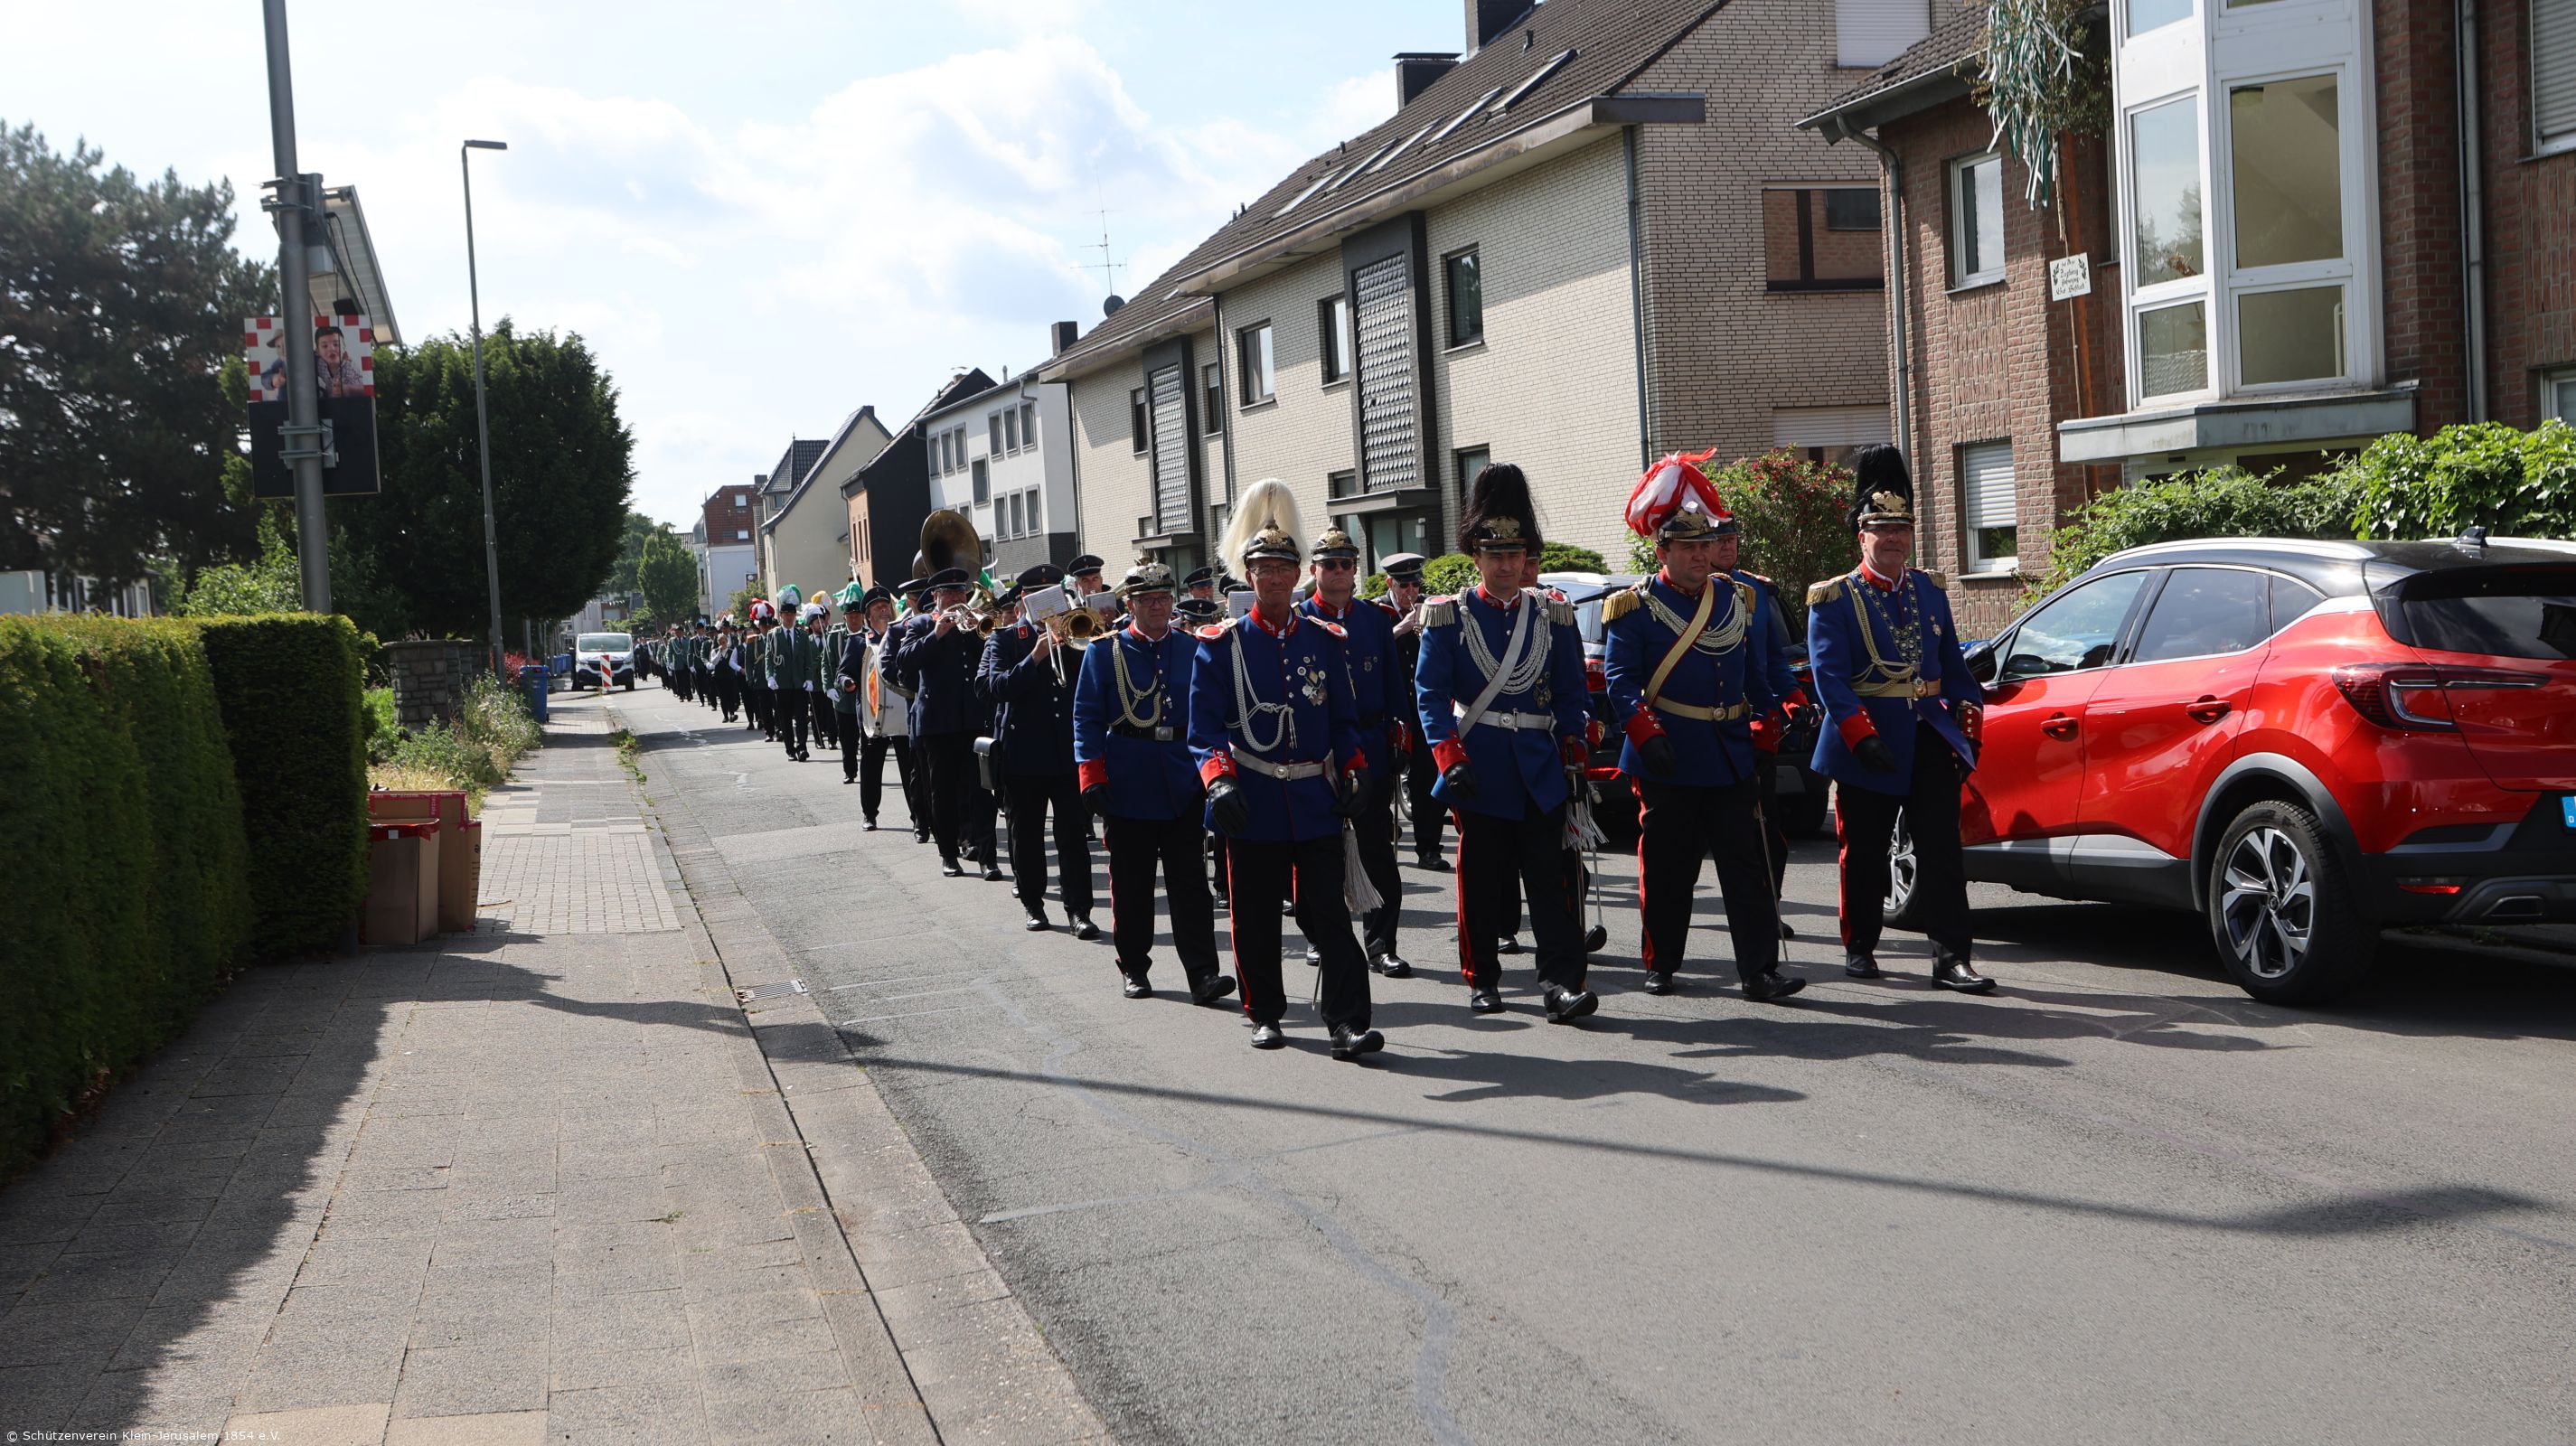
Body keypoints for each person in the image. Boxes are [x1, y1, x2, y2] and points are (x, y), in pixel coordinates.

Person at [1187, 480, 1383, 1060]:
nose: (1273, 579)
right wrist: (1219, 780)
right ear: (1248, 577)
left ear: (1298, 575)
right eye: (1263, 570)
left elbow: (1343, 721)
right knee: (1254, 917)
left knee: (1330, 915)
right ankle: (1265, 1013)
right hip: (1252, 801)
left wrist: (1355, 768)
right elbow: (1204, 729)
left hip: (1316, 802)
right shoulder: (1220, 646)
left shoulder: (1325, 640)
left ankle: (1347, 1022)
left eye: (1282, 569)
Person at [1603, 450, 1807, 1002]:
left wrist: (1770, 721)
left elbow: (1756, 677)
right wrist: (1647, 736)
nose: (1699, 556)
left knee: (1747, 865)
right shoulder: (1634, 608)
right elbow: (1621, 683)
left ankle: (1759, 970)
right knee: (1669, 868)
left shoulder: (1737, 600)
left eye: (1705, 546)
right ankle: (1662, 963)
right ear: (1662, 551)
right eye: (1687, 547)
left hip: (1730, 753)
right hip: (1668, 753)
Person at [1807, 446, 1994, 992]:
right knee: (1864, 852)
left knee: (1942, 850)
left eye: (1901, 529)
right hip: (1867, 740)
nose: (1892, 538)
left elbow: (1954, 669)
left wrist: (1969, 727)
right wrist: (1859, 735)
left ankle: (1952, 957)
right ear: (1861, 536)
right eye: (1881, 529)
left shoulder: (1930, 590)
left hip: (1928, 734)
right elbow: (1830, 679)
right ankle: (1860, 946)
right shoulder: (1834, 597)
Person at [1415, 465, 1597, 1020]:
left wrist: (1574, 749)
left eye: (1515, 555)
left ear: (1525, 557)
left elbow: (1570, 693)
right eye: (1495, 555)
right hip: (1480, 766)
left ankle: (1561, 982)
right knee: (1481, 882)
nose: (1506, 565)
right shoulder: (1449, 616)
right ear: (1477, 557)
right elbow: (1430, 696)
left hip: (1539, 767)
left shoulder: (1552, 614)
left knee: (1553, 882)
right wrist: (1449, 757)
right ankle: (1482, 977)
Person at [1075, 559, 1238, 1004]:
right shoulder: (1104, 651)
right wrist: (1091, 774)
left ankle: (1203, 974)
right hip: (1129, 780)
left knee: (1191, 883)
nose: (1157, 607)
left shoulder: (1192, 647)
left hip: (1183, 779)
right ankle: (1134, 966)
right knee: (1133, 885)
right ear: (1130, 604)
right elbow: (1086, 717)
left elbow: (1213, 711)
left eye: (1164, 598)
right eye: (1147, 599)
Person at [1301, 527, 1412, 978]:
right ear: (1314, 570)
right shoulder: (1299, 619)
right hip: (1316, 751)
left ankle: (1382, 943)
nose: (1338, 572)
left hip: (1369, 746)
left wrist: (1401, 739)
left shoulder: (1375, 620)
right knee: (1316, 852)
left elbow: (1394, 688)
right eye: (1329, 564)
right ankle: (1318, 937)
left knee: (1376, 850)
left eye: (1346, 564)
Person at [982, 565, 1097, 934]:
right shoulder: (1004, 639)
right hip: (1023, 754)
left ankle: (1079, 911)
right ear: (1023, 601)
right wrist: (1034, 656)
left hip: (1065, 752)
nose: (1048, 605)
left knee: (1073, 836)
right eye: (1038, 597)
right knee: (1027, 836)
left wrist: (1075, 642)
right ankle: (1033, 904)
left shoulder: (1075, 636)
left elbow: (1093, 683)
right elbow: (996, 688)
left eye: (1053, 596)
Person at [887, 568, 986, 877]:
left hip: (971, 718)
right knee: (942, 791)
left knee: (976, 788)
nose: (956, 597)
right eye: (949, 593)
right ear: (937, 597)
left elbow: (987, 657)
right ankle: (948, 853)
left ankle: (974, 843)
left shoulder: (973, 624)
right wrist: (937, 634)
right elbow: (904, 662)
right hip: (937, 722)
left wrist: (978, 629)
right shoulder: (919, 624)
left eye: (960, 592)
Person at [1381, 554, 1448, 872]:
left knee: (1426, 779)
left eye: (1415, 584)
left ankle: (1429, 848)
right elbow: (1367, 649)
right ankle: (1382, 840)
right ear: (1389, 584)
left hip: (1421, 709)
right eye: (1403, 585)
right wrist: (1400, 628)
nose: (1411, 591)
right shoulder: (1376, 611)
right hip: (1389, 708)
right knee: (1382, 781)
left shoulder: (1429, 608)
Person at [834, 593, 870, 784]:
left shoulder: (869, 636)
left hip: (866, 697)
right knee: (847, 738)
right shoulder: (835, 637)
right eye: (851, 616)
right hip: (843, 697)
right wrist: (829, 687)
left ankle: (868, 772)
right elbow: (828, 664)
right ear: (844, 618)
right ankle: (850, 771)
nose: (854, 619)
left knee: (866, 740)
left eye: (857, 615)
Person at [313, 324, 366, 399]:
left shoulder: (350, 368)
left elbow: (365, 388)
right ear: (318, 351)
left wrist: (349, 389)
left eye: (336, 344)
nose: (331, 349)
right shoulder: (320, 363)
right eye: (325, 346)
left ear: (344, 346)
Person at [714, 620, 743, 722]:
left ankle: (732, 714)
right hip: (719, 676)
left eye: (724, 642)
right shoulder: (715, 649)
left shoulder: (732, 646)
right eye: (721, 642)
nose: (723, 644)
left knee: (731, 695)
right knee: (723, 697)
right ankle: (725, 715)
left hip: (730, 675)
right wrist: (719, 651)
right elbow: (714, 661)